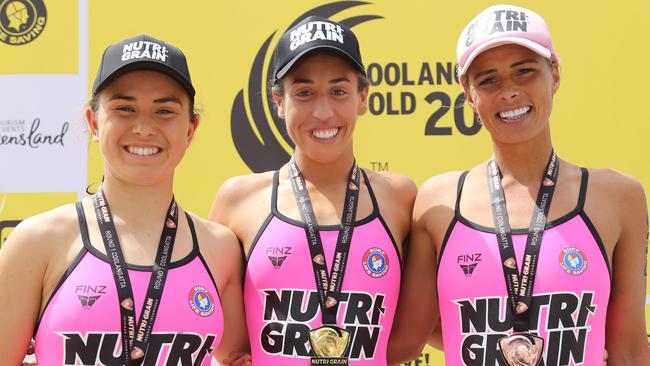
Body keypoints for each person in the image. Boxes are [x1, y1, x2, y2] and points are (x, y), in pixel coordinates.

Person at [397, 4, 650, 365]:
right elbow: (408, 339)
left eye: (525, 71)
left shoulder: (618, 196)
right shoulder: (438, 203)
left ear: (555, 75)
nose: (509, 92)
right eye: (488, 80)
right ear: (469, 95)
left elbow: (629, 350)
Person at [0, 34, 250, 365]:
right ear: (93, 122)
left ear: (191, 129)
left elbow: (241, 356)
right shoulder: (38, 241)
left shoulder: (220, 249)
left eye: (164, 111)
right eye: (125, 108)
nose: (144, 128)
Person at [210, 16, 418, 365]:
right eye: (304, 93)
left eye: (338, 91)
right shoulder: (238, 201)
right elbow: (227, 343)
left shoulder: (401, 198)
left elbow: (409, 335)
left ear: (363, 97)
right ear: (278, 102)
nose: (323, 112)